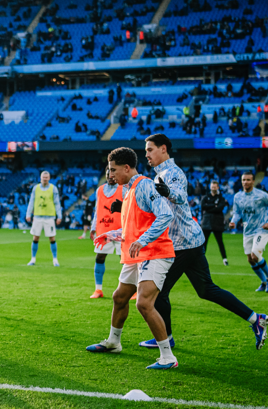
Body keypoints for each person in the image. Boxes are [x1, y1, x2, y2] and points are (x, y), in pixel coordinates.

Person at [143, 134, 268, 351]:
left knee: (158, 293)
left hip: (182, 243)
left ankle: (166, 338)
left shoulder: (172, 173)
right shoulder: (159, 174)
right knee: (207, 290)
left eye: (150, 149)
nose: (146, 154)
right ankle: (255, 319)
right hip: (190, 241)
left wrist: (168, 192)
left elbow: (181, 196)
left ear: (163, 149)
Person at [86, 147, 179, 370]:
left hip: (154, 253)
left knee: (144, 303)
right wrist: (111, 234)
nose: (110, 175)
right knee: (119, 297)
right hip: (137, 254)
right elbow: (134, 230)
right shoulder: (127, 190)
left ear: (127, 168)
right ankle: (113, 342)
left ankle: (168, 357)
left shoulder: (145, 185)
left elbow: (166, 214)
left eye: (113, 170)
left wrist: (144, 240)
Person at [229, 172, 268, 292]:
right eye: (244, 180)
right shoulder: (238, 197)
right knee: (250, 259)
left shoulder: (262, 195)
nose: (245, 182)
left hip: (261, 229)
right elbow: (237, 212)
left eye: (248, 180)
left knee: (255, 255)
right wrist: (233, 221)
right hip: (247, 230)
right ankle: (263, 282)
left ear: (253, 181)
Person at [89, 166, 122, 299]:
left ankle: (133, 290)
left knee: (126, 261)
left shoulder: (123, 189)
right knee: (100, 257)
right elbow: (97, 210)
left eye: (113, 174)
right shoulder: (100, 190)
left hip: (120, 230)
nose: (110, 177)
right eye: (108, 174)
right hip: (104, 229)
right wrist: (93, 227)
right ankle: (98, 290)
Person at [25, 171, 62, 266]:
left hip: (49, 217)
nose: (45, 179)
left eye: (46, 177)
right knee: (35, 237)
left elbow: (57, 203)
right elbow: (31, 201)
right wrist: (28, 214)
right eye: (43, 177)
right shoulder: (35, 188)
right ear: (40, 178)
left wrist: (59, 216)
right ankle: (33, 259)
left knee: (52, 238)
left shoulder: (53, 189)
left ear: (49, 178)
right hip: (37, 216)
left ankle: (55, 259)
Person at [201, 180, 229, 266]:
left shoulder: (221, 198)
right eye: (212, 186)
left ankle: (225, 259)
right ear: (210, 187)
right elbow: (203, 207)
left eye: (215, 187)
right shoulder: (205, 197)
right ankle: (201, 260)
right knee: (204, 242)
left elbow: (220, 208)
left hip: (217, 223)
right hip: (207, 223)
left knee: (220, 242)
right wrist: (214, 205)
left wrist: (209, 207)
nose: (213, 188)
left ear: (218, 187)